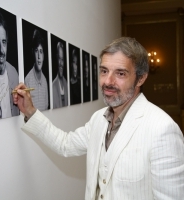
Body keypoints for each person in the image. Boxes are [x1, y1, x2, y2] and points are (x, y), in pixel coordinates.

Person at [13, 37, 184, 200]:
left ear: (141, 78)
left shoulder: (162, 129)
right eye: (104, 71)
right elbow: (65, 144)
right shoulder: (98, 119)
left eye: (121, 74)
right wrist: (30, 112)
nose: (108, 81)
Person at [24, 29, 49, 111]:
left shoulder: (45, 81)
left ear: (44, 55)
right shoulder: (27, 80)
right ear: (32, 53)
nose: (39, 56)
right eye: (36, 51)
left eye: (41, 52)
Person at [52, 42, 68, 108]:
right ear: (56, 58)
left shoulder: (66, 83)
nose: (61, 63)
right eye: (59, 59)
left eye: (62, 59)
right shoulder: (53, 86)